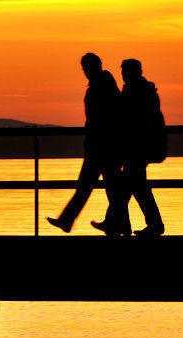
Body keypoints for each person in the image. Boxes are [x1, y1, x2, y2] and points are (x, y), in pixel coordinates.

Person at [46, 52, 127, 235]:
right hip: (104, 146)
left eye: (86, 68)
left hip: (102, 147)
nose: (85, 72)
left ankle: (70, 220)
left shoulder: (101, 86)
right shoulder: (105, 84)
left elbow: (103, 117)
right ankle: (116, 223)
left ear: (94, 66)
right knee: (109, 188)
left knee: (94, 187)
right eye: (83, 68)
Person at [92, 58, 166, 237]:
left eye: (126, 71)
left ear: (135, 72)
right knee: (137, 187)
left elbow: (129, 118)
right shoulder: (143, 89)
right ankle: (143, 224)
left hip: (140, 147)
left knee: (128, 187)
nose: (124, 74)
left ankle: (119, 223)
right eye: (123, 71)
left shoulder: (137, 91)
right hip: (141, 147)